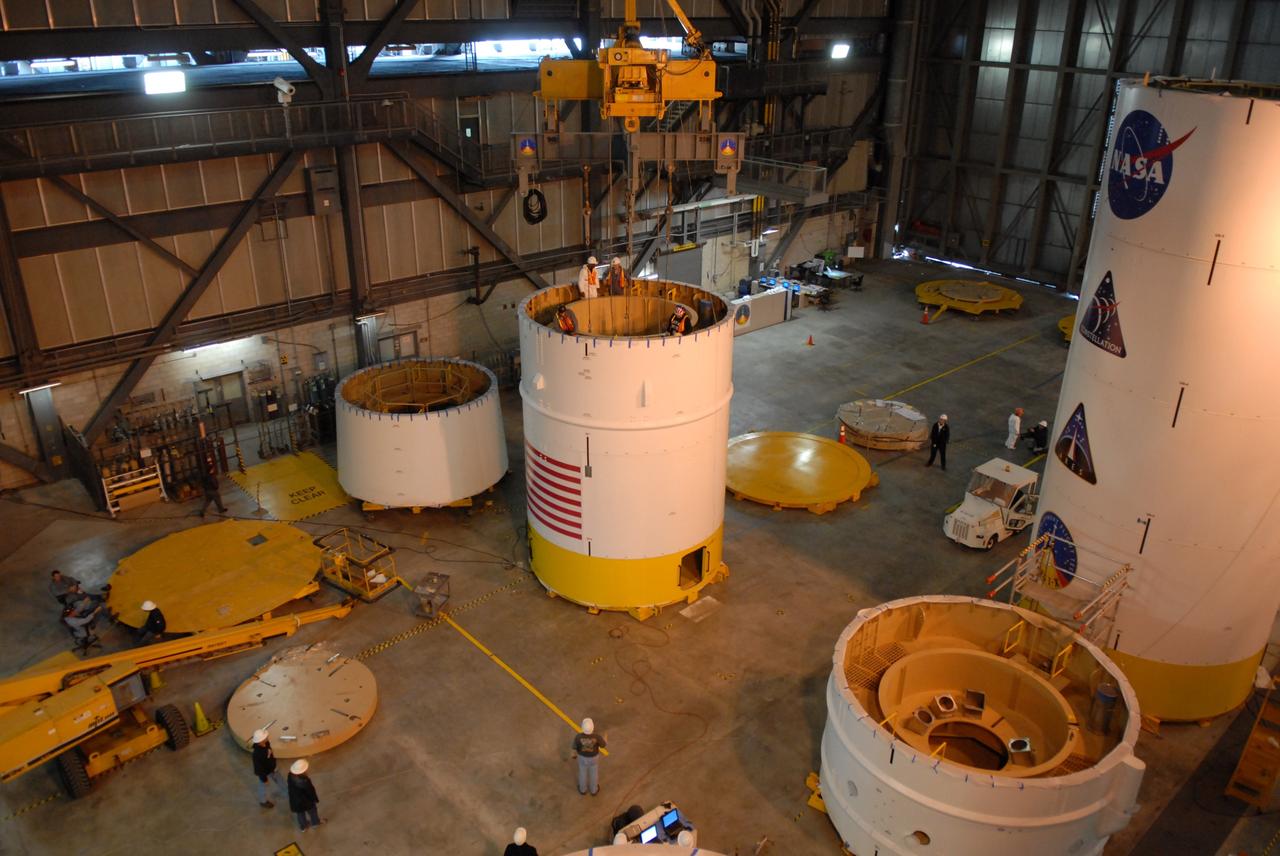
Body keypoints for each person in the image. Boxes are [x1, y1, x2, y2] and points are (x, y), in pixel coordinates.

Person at [572, 717, 606, 796]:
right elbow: (603, 745)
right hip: (594, 758)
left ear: (582, 727)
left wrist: (574, 754)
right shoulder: (597, 737)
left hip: (582, 758)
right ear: (592, 727)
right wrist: (605, 739)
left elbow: (574, 747)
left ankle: (582, 789)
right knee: (594, 773)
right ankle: (594, 790)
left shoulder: (578, 737)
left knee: (582, 773)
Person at [287, 759, 323, 831]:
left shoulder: (290, 775)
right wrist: (315, 799)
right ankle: (315, 823)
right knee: (312, 811)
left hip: (295, 801)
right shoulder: (304, 781)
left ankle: (303, 827)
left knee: (300, 814)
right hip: (306, 802)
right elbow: (310, 792)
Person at [252, 729, 284, 809]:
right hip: (265, 773)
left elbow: (269, 753)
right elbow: (259, 769)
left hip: (273, 768)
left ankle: (288, 792)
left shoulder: (266, 743)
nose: (267, 737)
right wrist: (264, 779)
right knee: (262, 786)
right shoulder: (257, 754)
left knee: (281, 781)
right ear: (260, 741)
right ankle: (263, 801)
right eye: (265, 737)